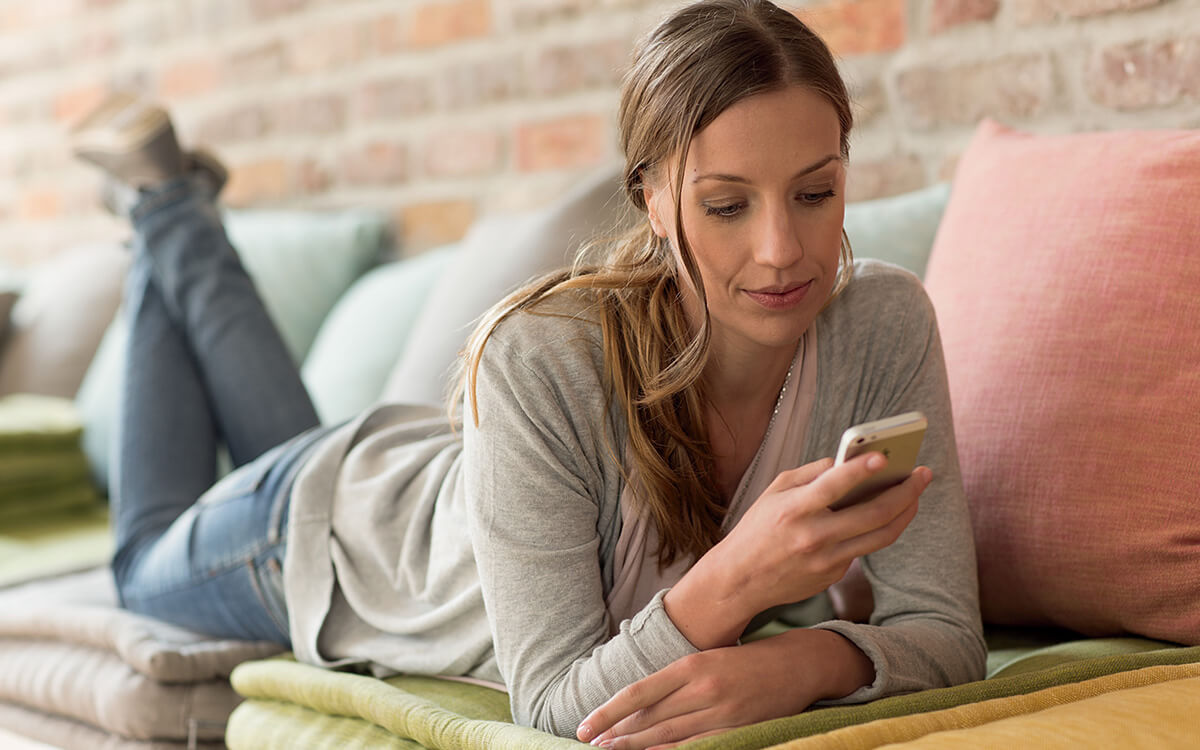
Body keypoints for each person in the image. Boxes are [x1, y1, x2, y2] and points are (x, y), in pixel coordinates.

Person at [70, 0, 985, 747]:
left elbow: (946, 635)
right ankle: (165, 209)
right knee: (141, 557)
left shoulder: (883, 321)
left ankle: (168, 207)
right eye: (726, 205)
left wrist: (801, 663)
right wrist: (737, 582)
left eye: (815, 194)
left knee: (286, 439)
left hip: (438, 484)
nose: (783, 251)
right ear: (654, 201)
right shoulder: (541, 355)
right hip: (322, 532)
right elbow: (552, 707)